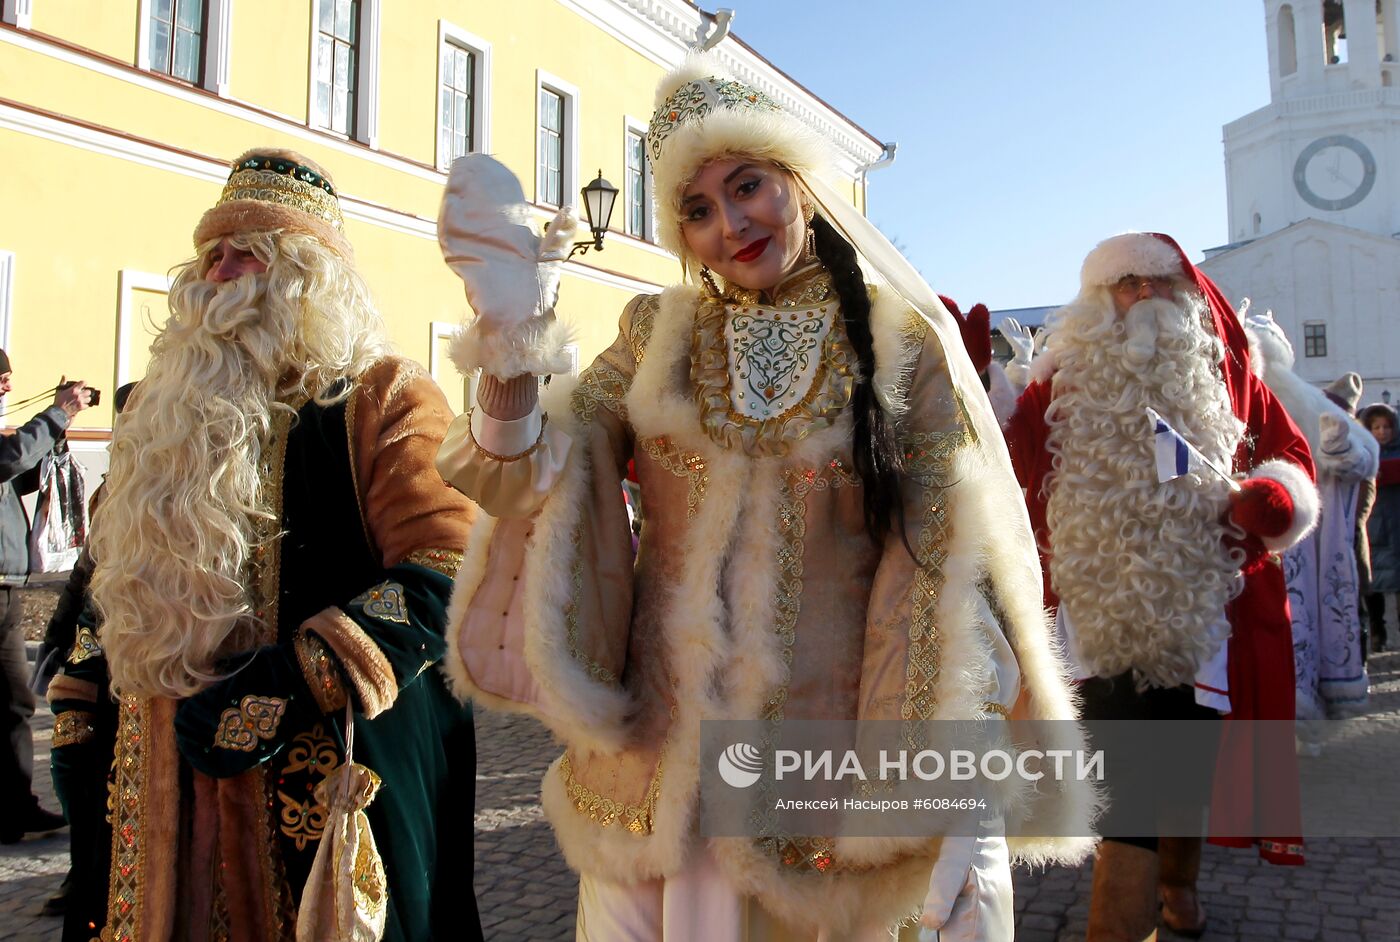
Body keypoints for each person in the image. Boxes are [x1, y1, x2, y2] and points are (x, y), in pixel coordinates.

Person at [435, 58, 1097, 940]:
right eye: (697, 210)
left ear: (799, 181)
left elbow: (945, 568)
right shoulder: (652, 336)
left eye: (747, 186)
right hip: (663, 784)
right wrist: (512, 339)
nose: (730, 224)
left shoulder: (902, 346)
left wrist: (952, 801)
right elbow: (533, 474)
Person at [86, 147, 482, 941]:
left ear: (307, 280)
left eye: (248, 254)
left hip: (326, 775)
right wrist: (81, 689)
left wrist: (289, 680)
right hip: (163, 785)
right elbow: (111, 572)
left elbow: (449, 566)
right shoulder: (155, 414)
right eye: (212, 254)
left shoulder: (381, 397)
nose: (219, 273)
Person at [1001, 232, 1318, 941]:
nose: (1142, 297)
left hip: (1204, 617)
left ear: (1186, 295)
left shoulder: (1231, 380)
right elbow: (1005, 457)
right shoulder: (1061, 382)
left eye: (1156, 284)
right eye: (1126, 285)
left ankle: (1178, 887)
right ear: (1100, 300)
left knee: (1185, 768)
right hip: (1098, 611)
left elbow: (1291, 457)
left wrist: (1274, 495)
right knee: (1130, 784)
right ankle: (1118, 925)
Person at [1242, 316, 1376, 734]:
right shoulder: (1233, 405)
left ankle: (1296, 717)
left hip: (1299, 547)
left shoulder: (1304, 403)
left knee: (1298, 628)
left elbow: (1363, 455)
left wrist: (1337, 450)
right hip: (1248, 549)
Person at [36, 380, 136, 934]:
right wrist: (55, 631)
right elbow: (86, 565)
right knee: (71, 752)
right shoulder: (111, 487)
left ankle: (96, 868)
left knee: (107, 762)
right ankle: (82, 867)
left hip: (137, 647)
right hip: (92, 637)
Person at [0, 351, 93, 845]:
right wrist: (58, 413)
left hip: (8, 588)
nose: (7, 388)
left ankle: (14, 806)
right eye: (1, 379)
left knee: (14, 702)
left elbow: (24, 472)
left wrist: (56, 436)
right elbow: (11, 459)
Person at [1360, 401, 1400, 652]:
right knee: (1374, 586)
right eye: (1377, 427)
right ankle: (1378, 632)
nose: (1382, 432)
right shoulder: (1363, 454)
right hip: (1373, 529)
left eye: (1386, 427)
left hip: (1397, 526)